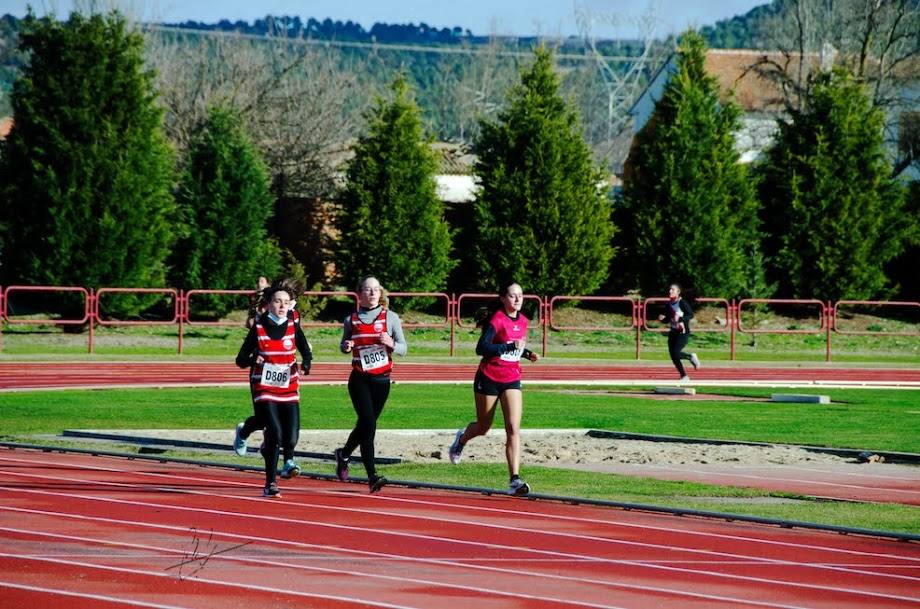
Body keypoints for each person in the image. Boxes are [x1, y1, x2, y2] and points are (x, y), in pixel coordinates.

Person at [448, 282, 539, 496]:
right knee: (483, 426)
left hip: (512, 378)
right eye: (513, 295)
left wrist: (527, 354)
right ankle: (461, 439)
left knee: (513, 428)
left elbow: (516, 345)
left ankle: (514, 479)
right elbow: (482, 348)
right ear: (503, 298)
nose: (517, 299)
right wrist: (509, 347)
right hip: (489, 377)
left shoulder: (524, 321)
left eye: (520, 295)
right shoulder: (496, 320)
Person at [235, 279, 312, 497]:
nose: (281, 306)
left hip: (289, 386)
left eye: (286, 302)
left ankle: (283, 458)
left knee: (292, 438)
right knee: (275, 433)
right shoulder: (259, 327)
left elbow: (306, 351)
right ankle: (270, 484)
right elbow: (240, 359)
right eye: (277, 302)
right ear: (269, 304)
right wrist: (254, 359)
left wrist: (306, 364)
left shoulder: (293, 326)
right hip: (264, 386)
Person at [333, 275, 407, 493]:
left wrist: (392, 343)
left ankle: (344, 454)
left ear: (380, 292)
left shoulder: (391, 317)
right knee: (369, 425)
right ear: (360, 294)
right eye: (368, 289)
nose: (373, 293)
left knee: (366, 424)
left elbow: (404, 348)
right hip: (359, 379)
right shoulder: (351, 320)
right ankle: (372, 475)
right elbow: (344, 344)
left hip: (382, 380)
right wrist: (346, 346)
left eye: (376, 289)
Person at [234, 276, 300, 458]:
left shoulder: (293, 314)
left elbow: (296, 336)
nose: (287, 303)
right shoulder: (264, 310)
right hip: (261, 370)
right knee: (264, 419)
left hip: (284, 372)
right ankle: (244, 432)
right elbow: (250, 330)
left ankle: (278, 451)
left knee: (282, 418)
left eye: (291, 298)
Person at [657, 283, 700, 381]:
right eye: (669, 289)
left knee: (676, 353)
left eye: (672, 290)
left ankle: (690, 356)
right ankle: (684, 376)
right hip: (673, 332)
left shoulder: (682, 303)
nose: (670, 291)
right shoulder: (668, 305)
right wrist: (662, 319)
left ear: (678, 292)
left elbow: (691, 315)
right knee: (673, 356)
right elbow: (668, 319)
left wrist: (681, 319)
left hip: (683, 332)